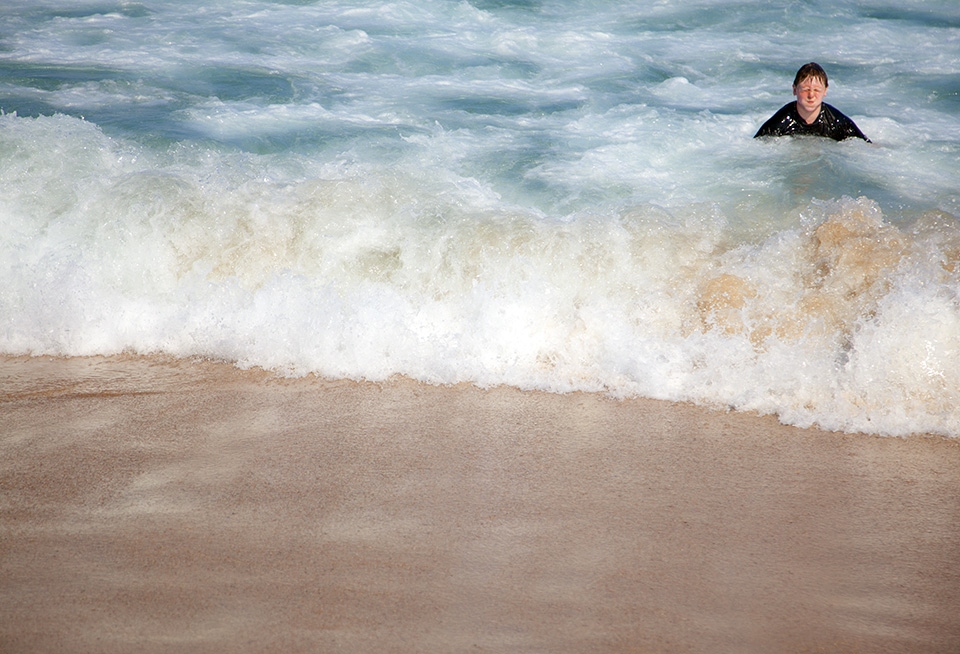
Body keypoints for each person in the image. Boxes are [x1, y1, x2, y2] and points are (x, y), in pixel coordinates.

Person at [754, 62, 870, 142]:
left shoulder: (837, 122)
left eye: (817, 90)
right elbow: (757, 147)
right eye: (806, 90)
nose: (811, 95)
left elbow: (864, 146)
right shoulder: (781, 122)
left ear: (825, 91)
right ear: (795, 90)